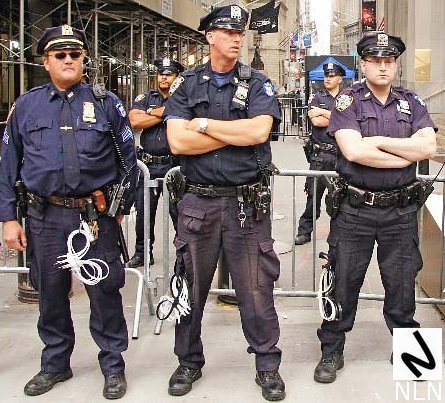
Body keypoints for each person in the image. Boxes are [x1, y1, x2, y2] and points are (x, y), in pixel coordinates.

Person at [0, 25, 137, 399]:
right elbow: (8, 164)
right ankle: (55, 363)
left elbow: (128, 161)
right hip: (45, 216)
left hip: (95, 217)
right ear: (46, 62)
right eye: (59, 55)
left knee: (104, 291)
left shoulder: (107, 103)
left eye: (74, 54)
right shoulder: (27, 106)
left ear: (83, 59)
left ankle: (113, 365)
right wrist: (8, 218)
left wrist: (119, 208)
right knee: (50, 292)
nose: (68, 60)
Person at [164, 5, 285, 402]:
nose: (237, 38)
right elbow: (177, 141)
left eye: (240, 32)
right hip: (198, 203)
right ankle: (188, 361)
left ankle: (267, 365)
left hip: (246, 206)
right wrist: (235, 133)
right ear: (210, 36)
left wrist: (203, 125)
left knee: (256, 290)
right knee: (190, 288)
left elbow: (259, 132)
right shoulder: (186, 85)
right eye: (228, 32)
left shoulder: (259, 83)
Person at [314, 32, 437, 384]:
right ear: (364, 65)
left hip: (400, 211)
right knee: (343, 282)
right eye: (376, 61)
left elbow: (427, 148)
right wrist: (404, 152)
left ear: (396, 65)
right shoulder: (348, 102)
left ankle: (413, 358)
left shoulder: (411, 101)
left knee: (402, 284)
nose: (383, 67)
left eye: (389, 61)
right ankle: (332, 350)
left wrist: (380, 141)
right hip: (355, 210)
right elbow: (354, 151)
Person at [127, 58, 184, 268]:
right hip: (148, 166)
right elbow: (134, 121)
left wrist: (150, 113)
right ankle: (142, 253)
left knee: (179, 213)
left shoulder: (182, 98)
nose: (164, 78)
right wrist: (165, 113)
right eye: (161, 74)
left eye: (169, 74)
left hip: (173, 166)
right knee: (144, 213)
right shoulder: (146, 97)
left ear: (177, 77)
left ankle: (183, 255)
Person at [294, 62, 345, 245]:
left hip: (341, 155)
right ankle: (304, 231)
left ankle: (339, 236)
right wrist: (338, 117)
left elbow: (349, 120)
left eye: (332, 76)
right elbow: (316, 122)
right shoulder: (317, 97)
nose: (328, 79)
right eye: (326, 76)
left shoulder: (346, 98)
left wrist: (324, 112)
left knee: (340, 198)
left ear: (340, 78)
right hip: (320, 155)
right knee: (313, 196)